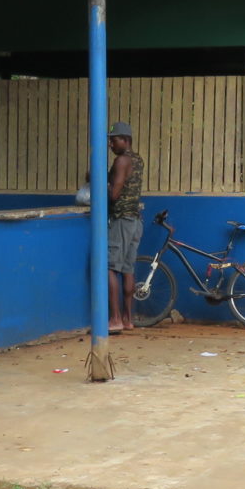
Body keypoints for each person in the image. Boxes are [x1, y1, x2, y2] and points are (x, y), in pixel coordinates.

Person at [105, 122, 144, 332]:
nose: (111, 144)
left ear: (126, 140)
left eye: (114, 139)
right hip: (136, 221)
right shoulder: (138, 160)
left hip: (121, 220)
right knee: (128, 269)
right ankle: (128, 320)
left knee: (110, 267)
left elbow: (114, 194)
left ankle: (115, 319)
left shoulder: (121, 160)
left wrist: (99, 182)